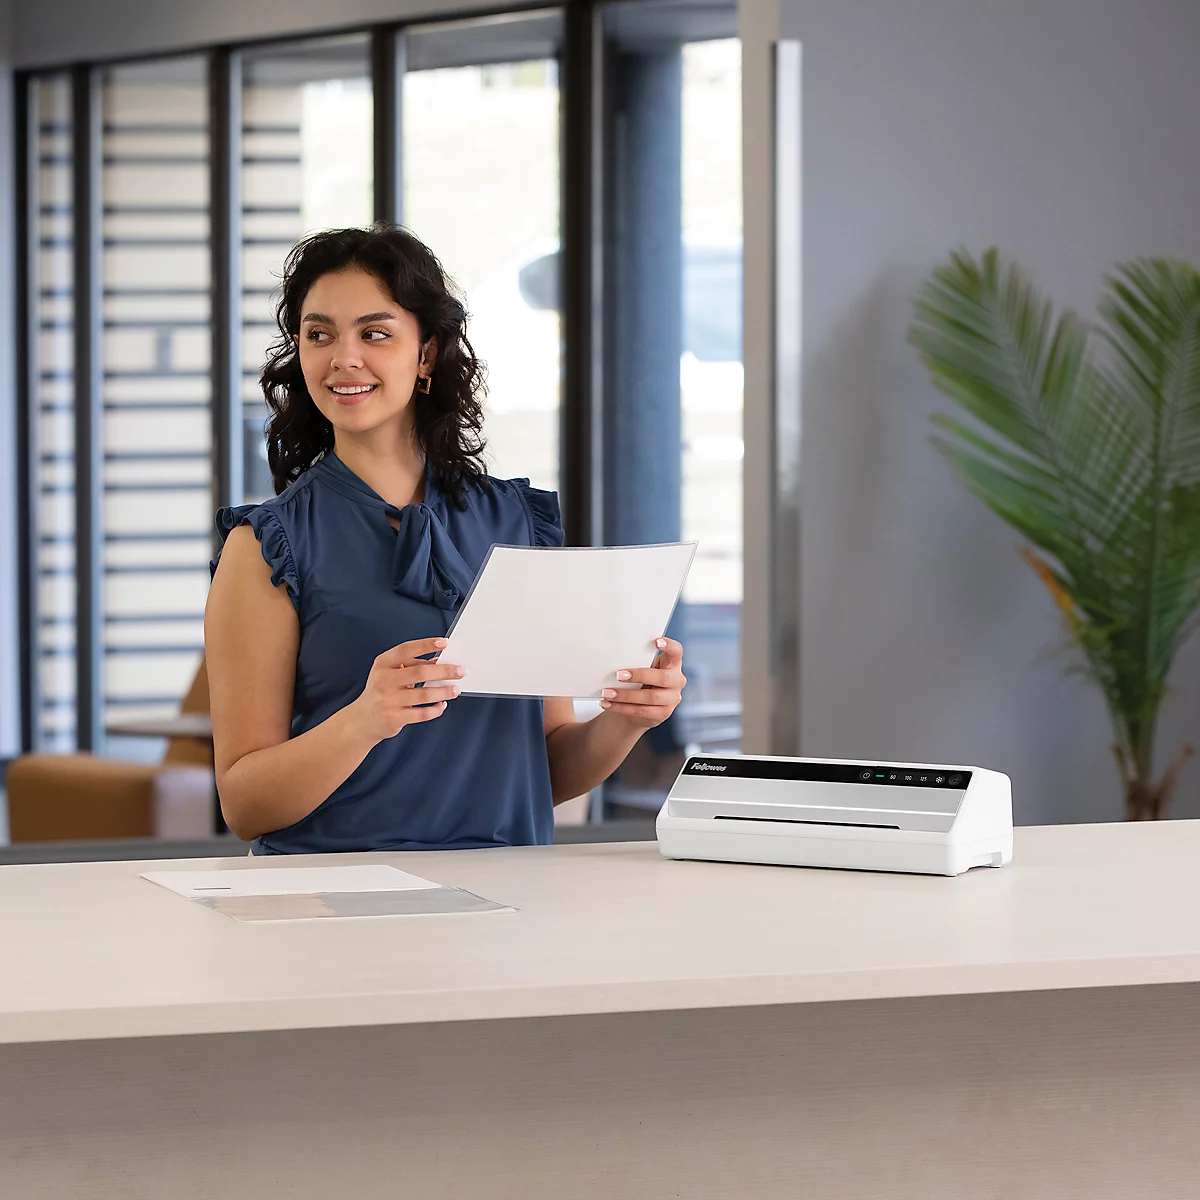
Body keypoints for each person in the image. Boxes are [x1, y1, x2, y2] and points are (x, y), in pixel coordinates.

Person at [204, 224, 686, 854]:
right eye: (319, 334)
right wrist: (365, 720)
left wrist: (625, 720)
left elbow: (547, 769)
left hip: (505, 908)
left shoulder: (517, 524)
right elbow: (244, 804)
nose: (343, 357)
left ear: (426, 354)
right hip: (330, 909)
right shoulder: (265, 547)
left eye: (374, 333)